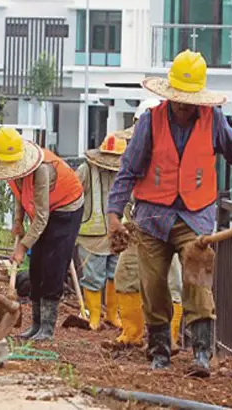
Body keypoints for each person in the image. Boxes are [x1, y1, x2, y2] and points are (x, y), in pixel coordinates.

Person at [107, 50, 232, 377]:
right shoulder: (151, 121)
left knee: (198, 280)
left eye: (190, 99)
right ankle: (159, 350)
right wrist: (114, 214)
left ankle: (202, 353)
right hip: (152, 217)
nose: (184, 105)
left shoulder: (213, 119)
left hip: (195, 215)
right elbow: (128, 170)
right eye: (179, 98)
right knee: (154, 283)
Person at [0, 128, 84, 342]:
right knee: (36, 266)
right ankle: (35, 324)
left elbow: (42, 216)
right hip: (43, 210)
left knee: (53, 264)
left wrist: (22, 248)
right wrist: (17, 222)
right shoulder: (9, 168)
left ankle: (47, 327)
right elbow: (20, 194)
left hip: (65, 207)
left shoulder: (40, 169)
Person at [107, 100, 184, 351]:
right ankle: (132, 334)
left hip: (166, 227)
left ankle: (168, 339)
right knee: (126, 275)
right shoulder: (135, 151)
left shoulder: (170, 153)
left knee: (167, 282)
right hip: (138, 226)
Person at [75, 133, 127, 331]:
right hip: (92, 237)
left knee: (116, 275)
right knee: (93, 276)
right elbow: (73, 194)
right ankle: (94, 316)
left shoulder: (124, 172)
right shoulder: (85, 170)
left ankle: (112, 314)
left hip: (118, 234)